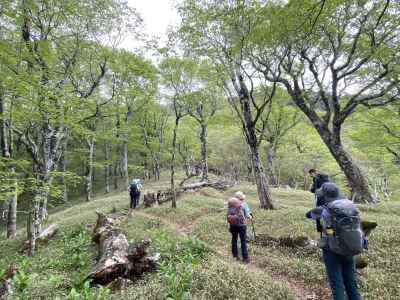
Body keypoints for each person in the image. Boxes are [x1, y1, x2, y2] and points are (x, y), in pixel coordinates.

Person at [306, 182, 362, 300]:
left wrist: (318, 208)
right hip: (349, 248)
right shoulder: (350, 205)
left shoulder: (325, 209)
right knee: (352, 285)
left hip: (332, 251)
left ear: (325, 195)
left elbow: (308, 215)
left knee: (337, 286)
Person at [227, 197, 250, 263]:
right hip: (242, 226)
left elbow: (228, 218)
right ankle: (245, 258)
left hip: (233, 226)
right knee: (243, 241)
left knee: (234, 239)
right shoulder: (241, 207)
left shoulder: (229, 209)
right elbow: (246, 216)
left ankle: (235, 256)